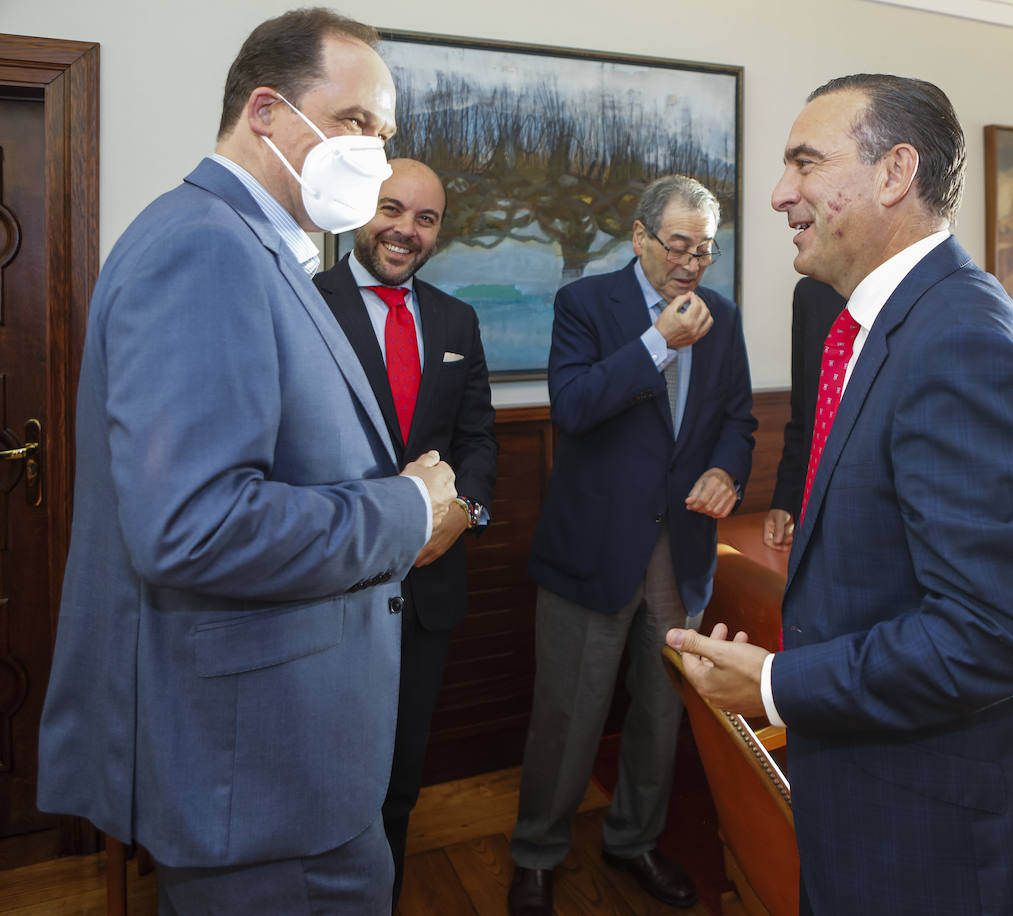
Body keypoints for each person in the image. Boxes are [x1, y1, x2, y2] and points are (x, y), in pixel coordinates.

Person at [37, 10, 457, 913]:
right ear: (266, 111)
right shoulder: (204, 246)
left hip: (288, 761)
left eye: (384, 137)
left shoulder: (257, 247)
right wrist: (407, 511)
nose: (375, 160)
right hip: (266, 781)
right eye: (355, 126)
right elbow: (195, 528)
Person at [667, 74, 1013, 915]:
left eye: (804, 163)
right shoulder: (890, 324)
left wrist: (773, 685)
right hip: (887, 796)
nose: (778, 194)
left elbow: (998, 634)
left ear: (893, 173)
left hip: (943, 839)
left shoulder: (963, 343)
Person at [510, 175, 756, 915]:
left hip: (681, 552)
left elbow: (738, 420)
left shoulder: (726, 317)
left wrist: (726, 470)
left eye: (705, 249)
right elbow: (574, 406)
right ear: (641, 237)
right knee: (567, 715)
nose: (691, 263)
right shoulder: (585, 304)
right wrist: (658, 343)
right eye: (678, 245)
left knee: (661, 714)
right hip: (592, 549)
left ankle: (634, 840)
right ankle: (536, 855)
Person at [313, 158, 498, 908]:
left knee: (399, 775)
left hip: (427, 591)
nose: (405, 231)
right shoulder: (305, 303)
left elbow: (479, 440)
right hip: (327, 590)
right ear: (362, 209)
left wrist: (465, 515)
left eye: (425, 219)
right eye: (392, 209)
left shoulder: (457, 320)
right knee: (323, 774)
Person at [762, 277, 846, 553]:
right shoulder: (812, 292)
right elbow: (804, 409)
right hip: (811, 512)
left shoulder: (913, 292)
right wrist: (785, 498)